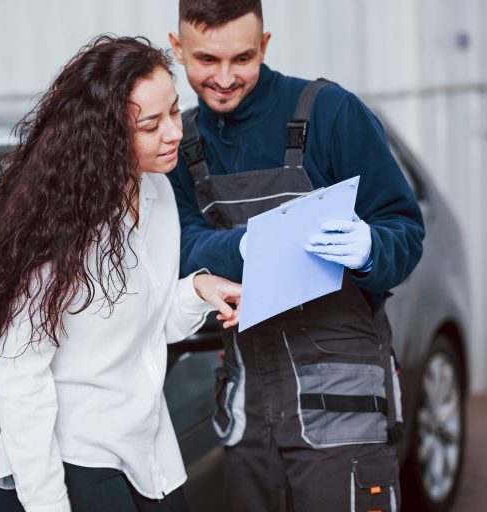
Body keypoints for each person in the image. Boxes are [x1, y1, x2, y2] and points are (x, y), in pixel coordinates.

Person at [0, 35, 242, 512]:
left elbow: (149, 324)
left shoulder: (157, 191)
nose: (174, 132)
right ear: (106, 134)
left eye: (174, 112)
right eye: (151, 125)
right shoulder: (60, 231)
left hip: (150, 448)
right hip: (80, 460)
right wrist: (49, 505)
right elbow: (20, 378)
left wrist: (196, 288)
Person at [167, 1, 425, 511]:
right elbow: (178, 250)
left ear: (264, 45)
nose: (223, 78)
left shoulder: (331, 113)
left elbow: (405, 231)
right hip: (251, 421)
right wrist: (247, 247)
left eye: (242, 58)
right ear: (177, 50)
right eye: (205, 61)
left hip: (345, 419)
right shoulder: (183, 142)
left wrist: (373, 248)